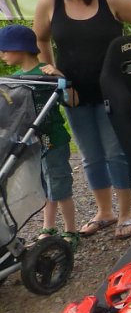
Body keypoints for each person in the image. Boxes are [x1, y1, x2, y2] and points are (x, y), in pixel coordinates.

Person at [33, 0, 131, 239]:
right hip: (74, 95)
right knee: (90, 155)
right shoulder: (48, 3)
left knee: (116, 153)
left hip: (112, 93)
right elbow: (40, 40)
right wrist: (53, 76)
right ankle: (105, 212)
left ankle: (127, 213)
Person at [0, 24, 78, 250]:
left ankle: (71, 230)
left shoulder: (46, 73)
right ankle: (48, 226)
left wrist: (61, 78)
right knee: (41, 183)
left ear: (20, 49)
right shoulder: (14, 79)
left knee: (59, 183)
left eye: (5, 50)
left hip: (51, 139)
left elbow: (73, 101)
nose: (2, 55)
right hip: (29, 143)